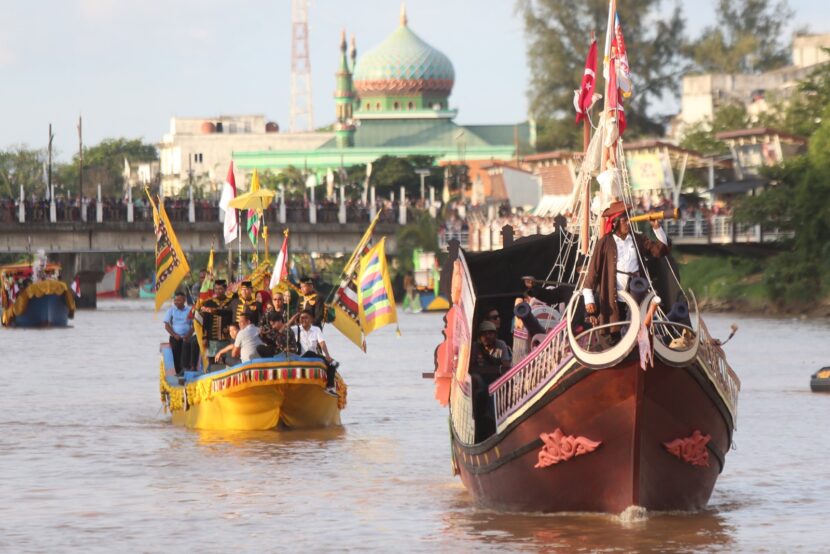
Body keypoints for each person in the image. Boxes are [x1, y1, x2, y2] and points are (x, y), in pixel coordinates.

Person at [582, 200, 669, 336]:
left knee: (634, 324)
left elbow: (660, 251)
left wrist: (657, 228)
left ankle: (634, 343)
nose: (628, 223)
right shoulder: (604, 243)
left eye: (628, 219)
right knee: (613, 331)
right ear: (615, 222)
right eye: (624, 220)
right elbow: (593, 271)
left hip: (636, 291)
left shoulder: (638, 239)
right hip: (613, 296)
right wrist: (589, 299)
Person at [469, 320, 512, 441]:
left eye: (491, 333)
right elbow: (471, 368)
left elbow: (506, 367)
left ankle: (492, 420)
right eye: (484, 333)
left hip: (496, 381)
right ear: (479, 336)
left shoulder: (501, 345)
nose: (487, 336)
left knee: (494, 390)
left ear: (495, 334)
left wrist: (488, 370)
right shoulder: (476, 348)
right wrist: (492, 369)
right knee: (477, 380)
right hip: (482, 382)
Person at [292, 309, 339, 397]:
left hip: (314, 357)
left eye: (306, 318)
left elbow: (322, 343)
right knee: (309, 352)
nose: (303, 320)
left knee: (332, 364)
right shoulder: (295, 329)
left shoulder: (316, 329)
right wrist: (293, 318)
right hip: (300, 358)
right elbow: (284, 329)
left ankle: (330, 387)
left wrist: (327, 355)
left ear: (311, 319)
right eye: (301, 318)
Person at [164, 291, 198, 375]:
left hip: (187, 336)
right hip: (175, 337)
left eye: (179, 300)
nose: (176, 302)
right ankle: (177, 371)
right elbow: (166, 325)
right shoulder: (171, 310)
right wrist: (175, 335)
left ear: (184, 300)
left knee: (188, 348)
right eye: (175, 300)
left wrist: (188, 335)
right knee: (175, 352)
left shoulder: (190, 310)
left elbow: (194, 325)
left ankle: (187, 368)